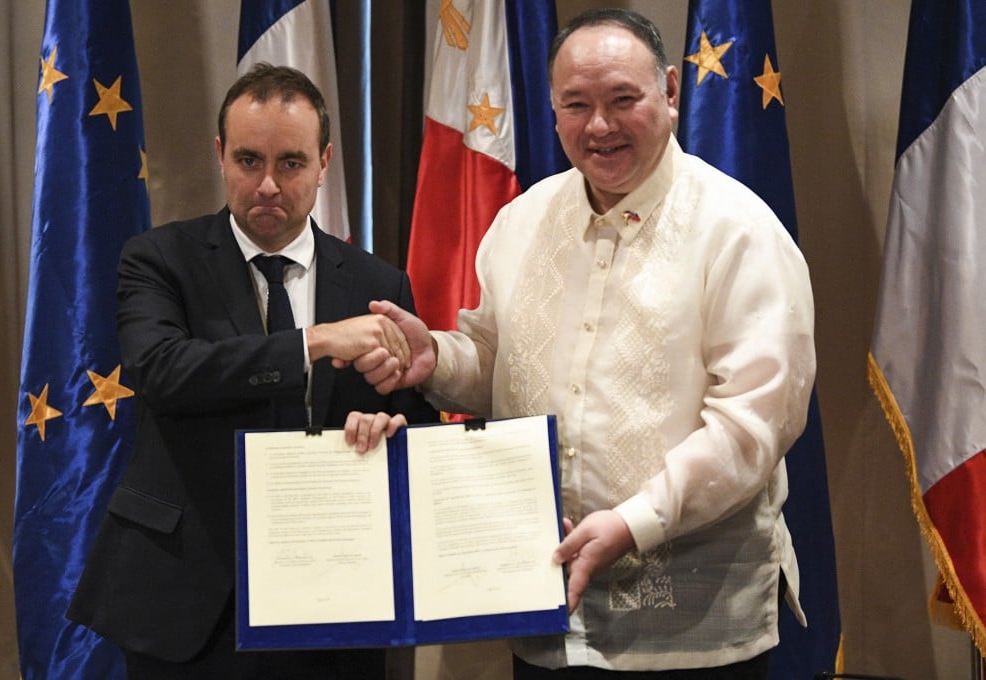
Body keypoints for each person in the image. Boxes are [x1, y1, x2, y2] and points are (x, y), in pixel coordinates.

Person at [356, 8, 816, 679]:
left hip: (689, 628)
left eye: (622, 100)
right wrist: (439, 361)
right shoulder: (522, 221)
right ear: (552, 108)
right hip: (544, 610)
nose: (599, 126)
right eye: (576, 105)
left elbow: (754, 424)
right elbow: (495, 366)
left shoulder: (739, 231)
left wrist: (634, 522)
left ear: (668, 91)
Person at [67, 63, 438, 679]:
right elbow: (164, 371)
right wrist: (314, 342)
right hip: (191, 602)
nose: (267, 184)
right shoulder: (158, 259)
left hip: (337, 599)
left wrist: (388, 426)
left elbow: (416, 421)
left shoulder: (378, 283)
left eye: (290, 163)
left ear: (323, 163)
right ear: (219, 156)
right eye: (248, 161)